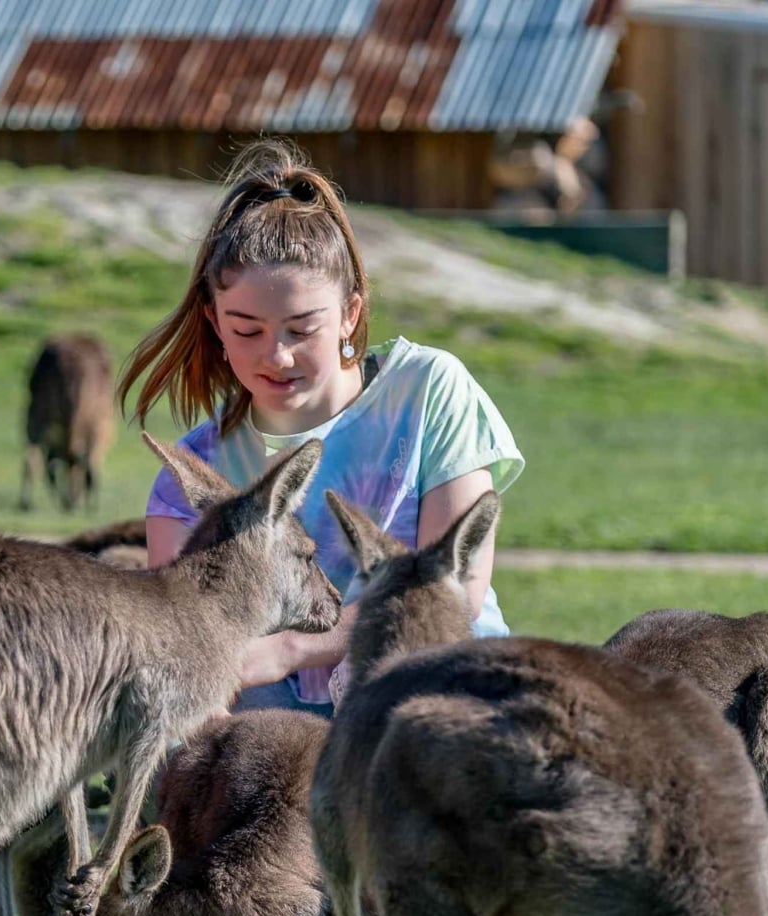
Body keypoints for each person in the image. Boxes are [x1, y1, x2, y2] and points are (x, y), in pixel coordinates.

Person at [119, 138, 525, 717]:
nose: (276, 356)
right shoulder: (192, 477)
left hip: (438, 697)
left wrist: (291, 649)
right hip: (280, 741)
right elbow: (188, 647)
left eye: (301, 328)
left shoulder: (430, 389)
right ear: (213, 320)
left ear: (350, 314)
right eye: (247, 330)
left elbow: (452, 591)